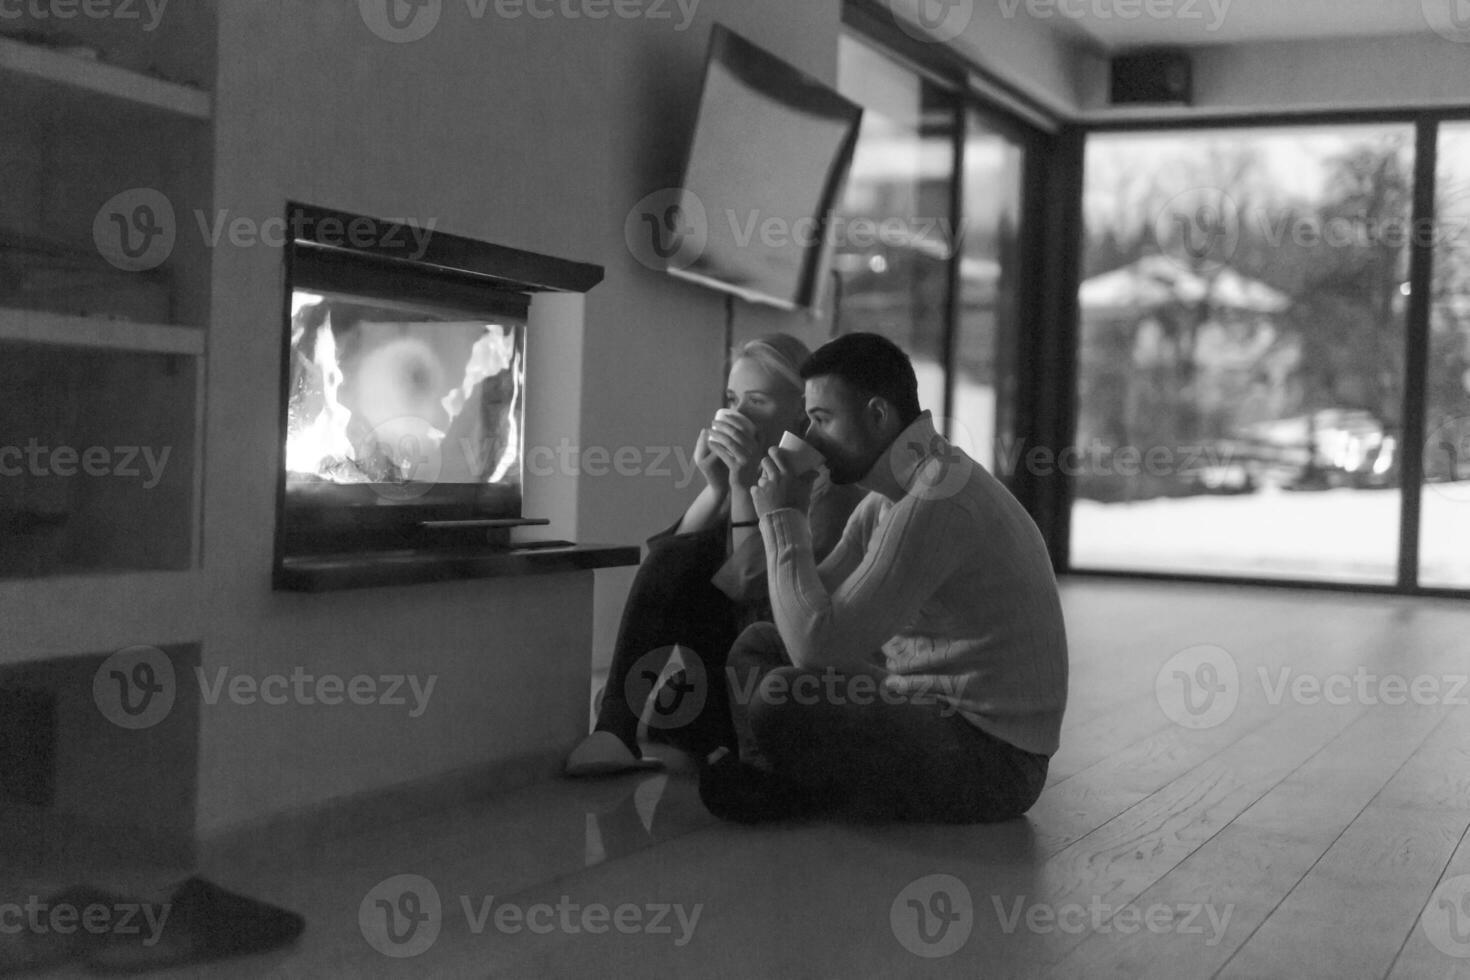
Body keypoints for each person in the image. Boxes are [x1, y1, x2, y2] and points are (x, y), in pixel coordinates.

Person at [699, 332, 1069, 823]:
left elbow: (815, 647)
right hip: (924, 709)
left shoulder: (937, 499)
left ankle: (790, 789)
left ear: (877, 415)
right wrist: (775, 503)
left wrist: (782, 517)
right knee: (759, 645)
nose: (809, 438)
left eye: (821, 419)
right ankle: (777, 784)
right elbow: (800, 620)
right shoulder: (889, 498)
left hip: (996, 760)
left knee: (781, 694)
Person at [565, 334, 868, 776]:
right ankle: (619, 728)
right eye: (731, 399)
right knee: (676, 682)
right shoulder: (759, 471)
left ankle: (650, 725)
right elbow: (664, 563)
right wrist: (718, 488)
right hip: (724, 668)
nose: (738, 414)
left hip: (775, 677)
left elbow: (753, 597)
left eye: (757, 402)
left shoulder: (830, 491)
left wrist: (743, 486)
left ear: (800, 412)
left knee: (678, 699)